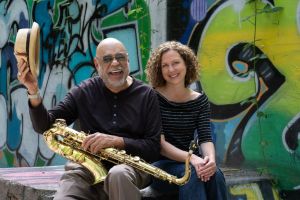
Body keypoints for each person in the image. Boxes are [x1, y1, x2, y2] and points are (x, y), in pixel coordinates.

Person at [16, 37, 162, 200]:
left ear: (128, 60)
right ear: (96, 64)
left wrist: (117, 141)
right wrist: (33, 90)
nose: (115, 63)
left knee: (118, 174)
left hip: (130, 168)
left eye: (120, 57)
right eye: (107, 59)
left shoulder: (147, 95)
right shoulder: (83, 91)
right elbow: (44, 125)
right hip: (86, 166)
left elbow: (153, 148)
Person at [145, 41, 228, 200]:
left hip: (191, 162)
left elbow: (205, 137)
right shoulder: (153, 97)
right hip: (161, 166)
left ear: (187, 64)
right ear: (159, 70)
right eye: (165, 65)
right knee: (192, 174)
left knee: (215, 174)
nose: (171, 69)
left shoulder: (200, 100)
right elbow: (160, 145)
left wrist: (209, 160)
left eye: (176, 63)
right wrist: (193, 159)